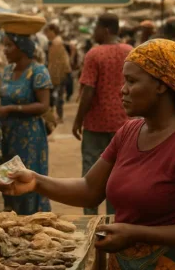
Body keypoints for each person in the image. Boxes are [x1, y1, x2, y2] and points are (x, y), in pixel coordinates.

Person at [0, 39, 175, 270]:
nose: (123, 90)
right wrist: (35, 181)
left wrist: (135, 233)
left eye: (131, 81)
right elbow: (90, 190)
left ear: (162, 85)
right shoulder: (130, 132)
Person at [73, 13, 132, 215]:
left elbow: (88, 91)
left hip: (96, 125)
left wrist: (78, 120)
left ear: (105, 29)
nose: (94, 32)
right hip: (124, 125)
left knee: (91, 175)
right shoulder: (130, 51)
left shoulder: (94, 54)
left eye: (96, 27)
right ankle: (113, 223)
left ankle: (90, 222)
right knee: (118, 175)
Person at [0, 13, 52, 215]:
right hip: (8, 136)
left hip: (30, 136)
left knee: (27, 180)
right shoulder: (7, 71)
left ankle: (32, 221)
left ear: (22, 48)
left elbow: (43, 105)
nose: (5, 50)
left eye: (9, 46)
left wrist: (12, 109)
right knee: (7, 180)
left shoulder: (38, 71)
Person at [44, 24, 72, 123]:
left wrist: (53, 77)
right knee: (57, 96)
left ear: (52, 31)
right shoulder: (56, 42)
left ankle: (58, 117)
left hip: (58, 74)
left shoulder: (56, 43)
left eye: (47, 32)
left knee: (57, 97)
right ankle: (58, 116)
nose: (46, 34)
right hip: (59, 73)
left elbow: (57, 63)